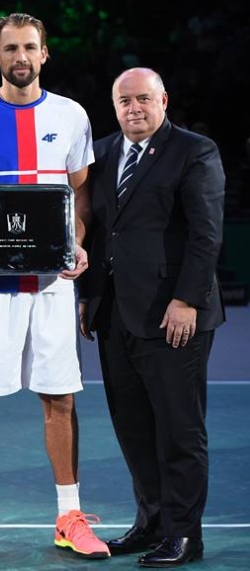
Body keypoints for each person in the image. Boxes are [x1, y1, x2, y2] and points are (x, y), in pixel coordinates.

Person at [0, 12, 109, 560]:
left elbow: (80, 196)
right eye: (10, 48)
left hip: (53, 282)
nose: (20, 57)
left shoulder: (72, 114)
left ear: (44, 55)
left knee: (59, 397)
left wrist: (77, 240)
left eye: (30, 48)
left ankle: (68, 516)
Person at [80, 68, 225, 567]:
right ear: (114, 105)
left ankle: (185, 535)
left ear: (164, 99)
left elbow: (206, 235)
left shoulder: (194, 150)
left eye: (144, 99)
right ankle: (152, 523)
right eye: (125, 101)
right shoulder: (100, 153)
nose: (134, 109)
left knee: (180, 429)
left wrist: (187, 300)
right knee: (134, 428)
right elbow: (100, 234)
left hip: (172, 316)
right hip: (115, 313)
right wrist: (88, 297)